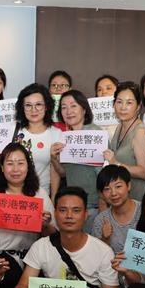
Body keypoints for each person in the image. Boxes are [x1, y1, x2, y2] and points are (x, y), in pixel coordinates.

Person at [0, 142, 55, 288]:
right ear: (2, 168)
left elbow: (53, 236)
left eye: (20, 163)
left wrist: (45, 225)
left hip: (31, 257)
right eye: (10, 164)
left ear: (28, 166)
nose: (15, 169)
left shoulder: (39, 194)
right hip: (0, 256)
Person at [51, 90, 104, 223]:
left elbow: (103, 174)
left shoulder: (94, 133)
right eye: (64, 107)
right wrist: (53, 158)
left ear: (84, 109)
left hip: (94, 205)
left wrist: (102, 207)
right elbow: (64, 173)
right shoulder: (66, 136)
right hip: (74, 203)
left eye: (73, 106)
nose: (69, 111)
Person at [12, 83, 63, 195]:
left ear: (46, 107)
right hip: (12, 194)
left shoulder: (56, 134)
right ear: (22, 108)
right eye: (28, 105)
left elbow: (55, 171)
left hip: (41, 195)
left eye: (38, 104)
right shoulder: (12, 130)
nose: (33, 110)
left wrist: (53, 199)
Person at [104, 81, 145, 201]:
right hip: (122, 198)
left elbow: (144, 172)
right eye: (119, 102)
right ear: (113, 104)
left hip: (138, 198)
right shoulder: (120, 126)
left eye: (129, 103)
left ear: (138, 107)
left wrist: (115, 163)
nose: (123, 107)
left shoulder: (140, 131)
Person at [91, 165, 141, 254]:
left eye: (118, 186)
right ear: (101, 194)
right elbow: (97, 256)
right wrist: (105, 239)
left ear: (128, 186)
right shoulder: (100, 221)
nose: (113, 193)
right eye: (107, 189)